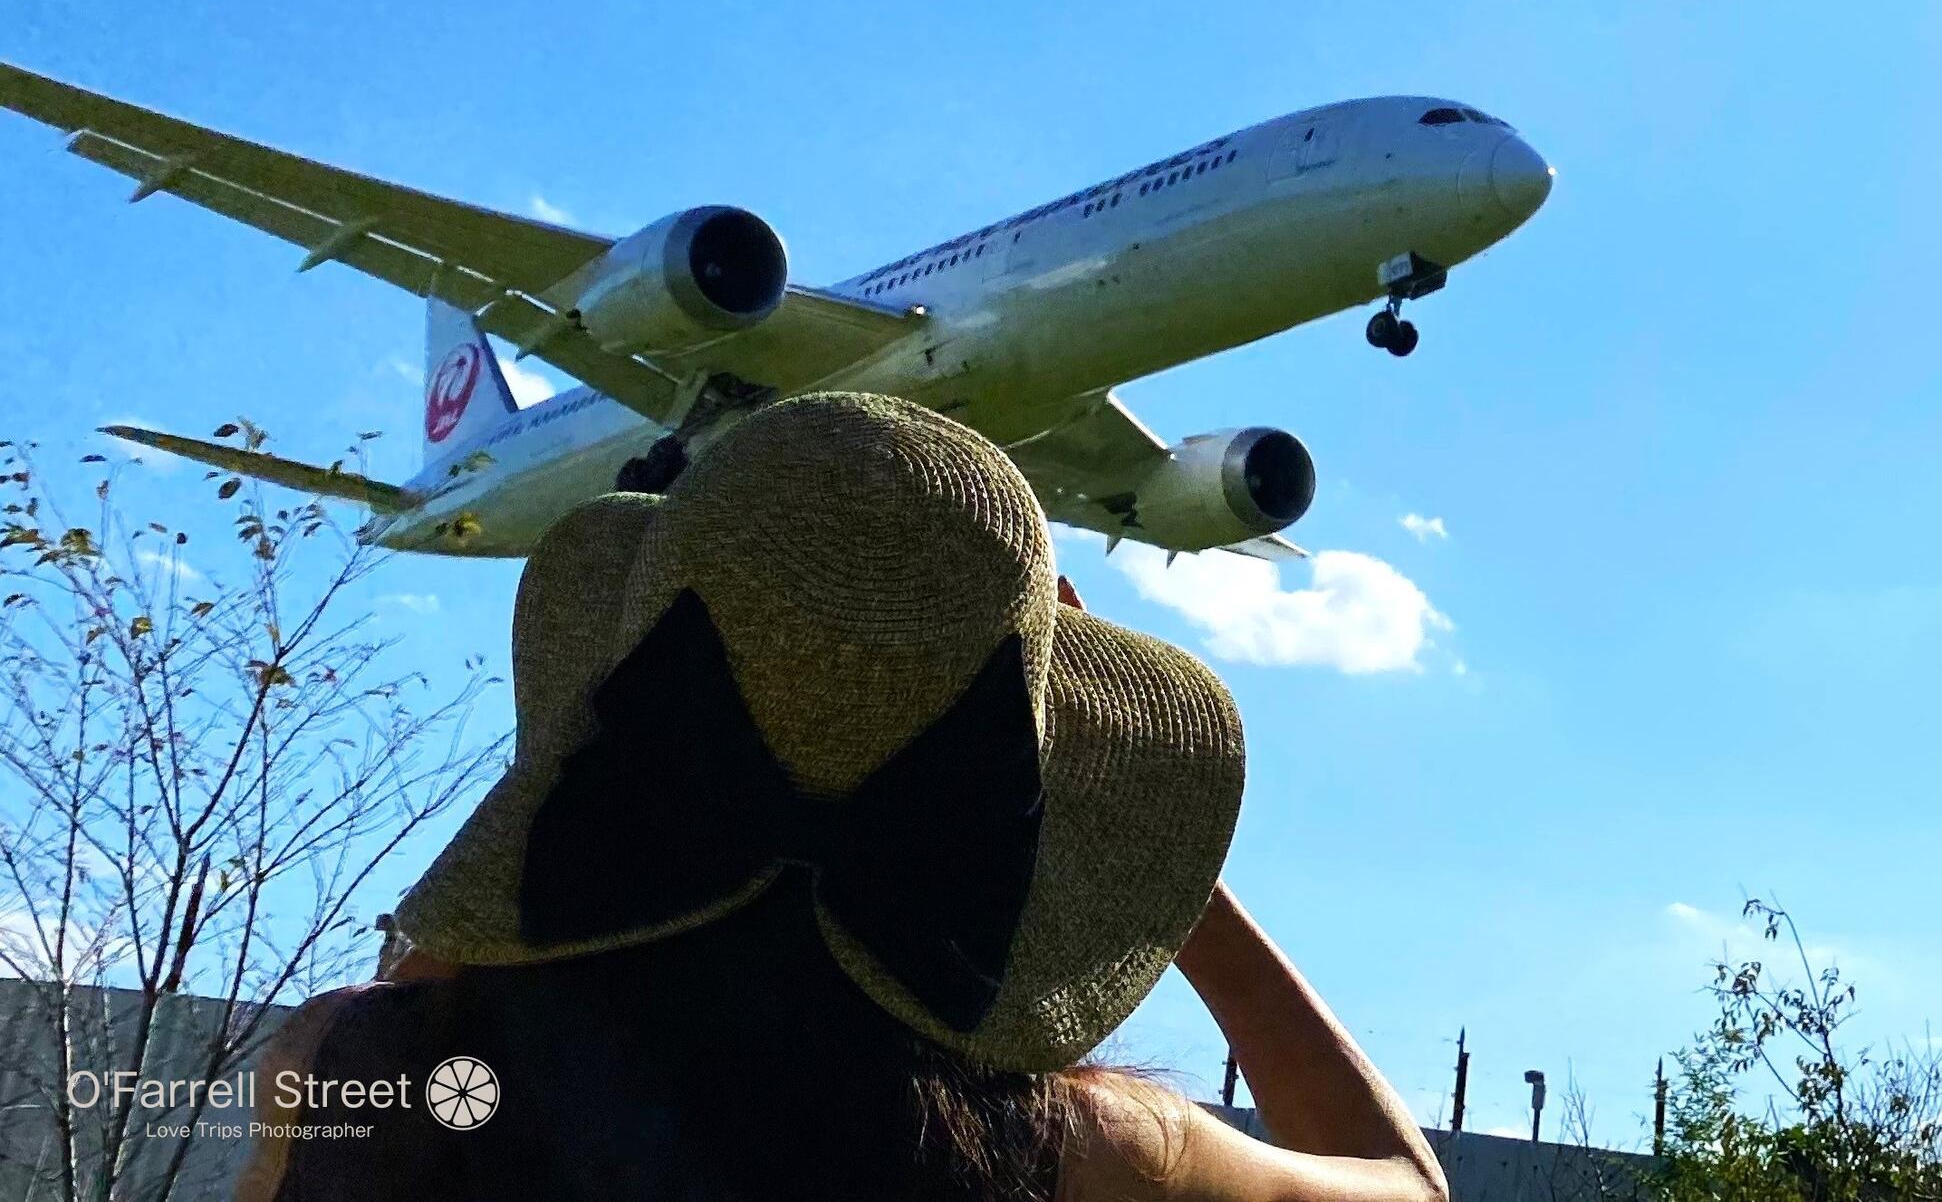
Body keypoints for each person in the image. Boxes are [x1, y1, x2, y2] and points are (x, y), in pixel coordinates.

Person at [237, 393, 1446, 1202]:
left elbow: (465, 967)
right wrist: (1152, 869)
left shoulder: (340, 1067)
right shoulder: (1077, 1152)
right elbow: (1402, 1185)